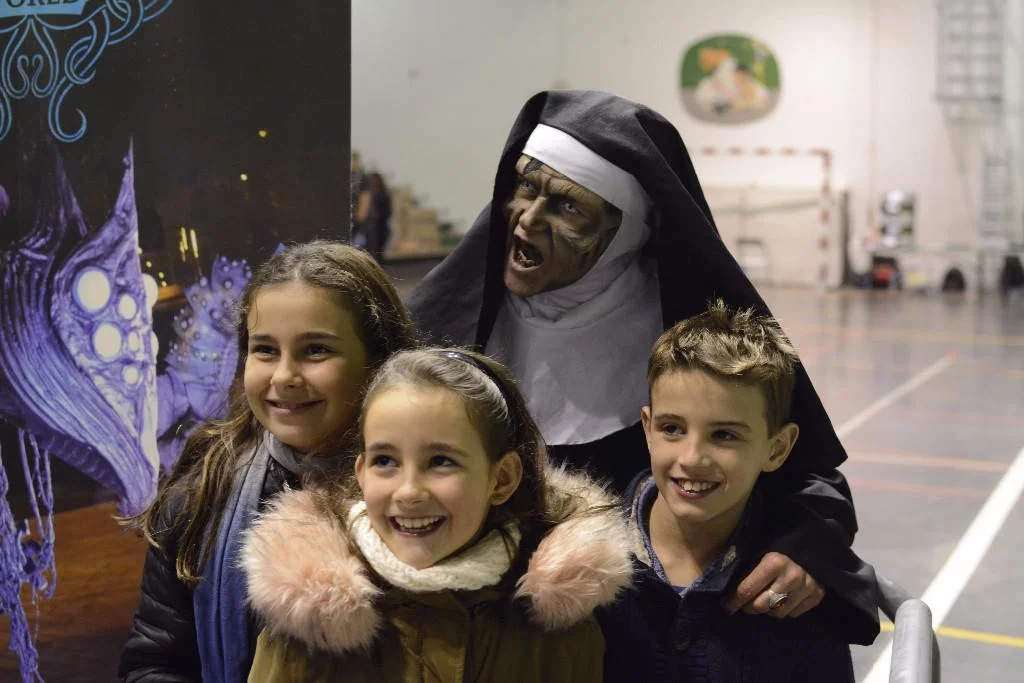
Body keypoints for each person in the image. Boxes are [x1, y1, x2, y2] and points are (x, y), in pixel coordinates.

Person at [407, 90, 879, 642]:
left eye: (567, 207)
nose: (527, 220)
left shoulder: (690, 341)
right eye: (525, 187)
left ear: (628, 232)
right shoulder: (447, 324)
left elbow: (806, 475)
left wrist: (802, 548)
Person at [118, 241, 418, 682]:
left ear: (378, 361)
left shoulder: (420, 497)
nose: (283, 376)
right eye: (265, 350)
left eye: (315, 350)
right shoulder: (205, 489)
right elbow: (154, 662)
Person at [242, 348, 633, 682]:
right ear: (361, 473)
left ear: (502, 479)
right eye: (385, 461)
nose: (409, 491)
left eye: (441, 461)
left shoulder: (557, 632)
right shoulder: (309, 627)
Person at [599, 300, 854, 682]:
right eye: (672, 428)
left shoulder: (797, 592)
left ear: (777, 448)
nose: (692, 458)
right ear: (648, 429)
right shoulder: (582, 566)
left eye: (724, 435)